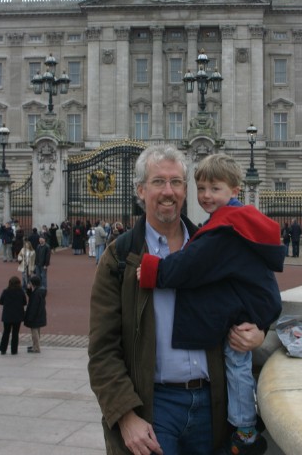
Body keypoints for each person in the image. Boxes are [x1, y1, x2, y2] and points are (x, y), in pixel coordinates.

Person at [88, 145, 265, 455]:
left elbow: (251, 295)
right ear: (141, 190)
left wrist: (258, 330)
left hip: (213, 404)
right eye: (158, 182)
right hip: (154, 407)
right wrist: (125, 416)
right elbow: (102, 350)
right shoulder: (118, 258)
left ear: (186, 190)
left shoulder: (213, 246)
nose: (168, 191)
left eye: (176, 182)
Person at [138, 153, 285, 455]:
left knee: (237, 361)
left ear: (234, 191)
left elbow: (192, 265)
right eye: (201, 188)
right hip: (250, 301)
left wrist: (155, 270)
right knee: (238, 361)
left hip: (249, 308)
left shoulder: (224, 227)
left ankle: (245, 428)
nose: (205, 195)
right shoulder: (232, 220)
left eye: (214, 189)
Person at [0, 276, 27, 355]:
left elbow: (1, 302)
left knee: (6, 332)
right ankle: (14, 350)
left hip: (7, 315)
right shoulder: (21, 292)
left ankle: (3, 349)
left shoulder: (5, 291)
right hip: (17, 316)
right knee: (15, 333)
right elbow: (25, 302)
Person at [24, 275, 47, 353]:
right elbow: (31, 296)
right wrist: (29, 290)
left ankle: (36, 347)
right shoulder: (39, 291)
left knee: (34, 332)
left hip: (35, 316)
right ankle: (35, 345)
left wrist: (30, 317)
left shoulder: (37, 293)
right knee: (37, 331)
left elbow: (34, 306)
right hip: (40, 315)